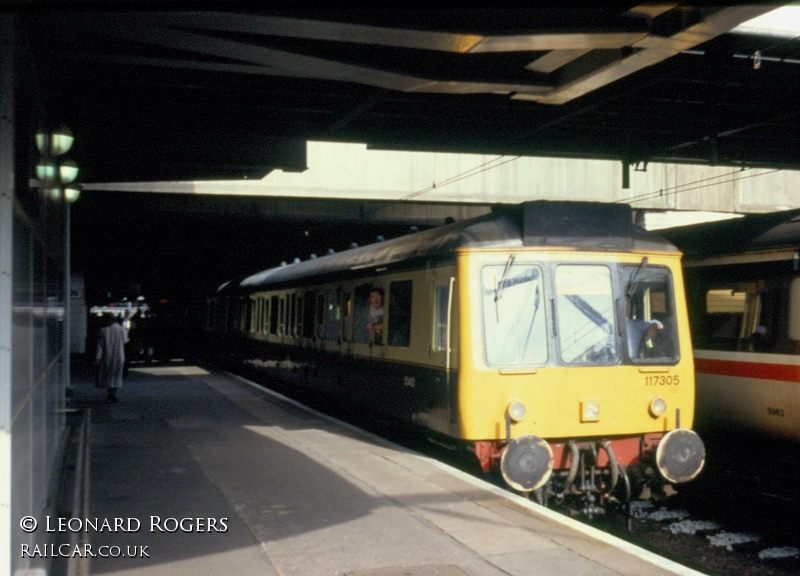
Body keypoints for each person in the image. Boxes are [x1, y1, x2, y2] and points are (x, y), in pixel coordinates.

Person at [96, 313, 129, 402]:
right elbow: (125, 341)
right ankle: (113, 393)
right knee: (117, 375)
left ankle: (110, 393)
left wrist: (98, 358)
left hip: (107, 356)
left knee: (108, 375)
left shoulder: (103, 330)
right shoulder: (121, 329)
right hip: (119, 355)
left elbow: (100, 345)